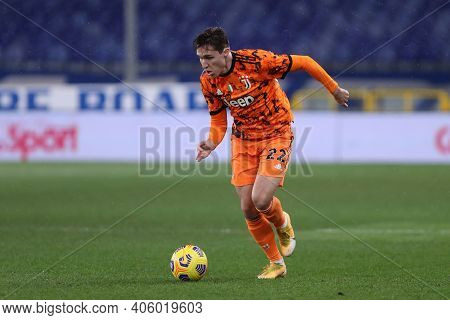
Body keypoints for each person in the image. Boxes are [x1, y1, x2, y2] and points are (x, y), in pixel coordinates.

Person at [194, 27, 349, 279]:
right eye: (200, 58)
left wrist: (334, 90)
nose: (204, 64)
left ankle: (282, 223)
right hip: (243, 140)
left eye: (209, 57)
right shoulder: (208, 81)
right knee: (247, 207)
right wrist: (212, 142)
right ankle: (276, 263)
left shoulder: (257, 62)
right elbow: (219, 122)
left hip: (277, 132)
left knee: (261, 199)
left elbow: (306, 62)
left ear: (225, 52)